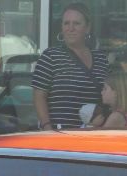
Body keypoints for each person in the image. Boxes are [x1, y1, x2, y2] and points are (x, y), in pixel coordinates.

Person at [32, 3, 103, 131]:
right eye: (66, 23)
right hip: (59, 136)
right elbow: (39, 96)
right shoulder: (50, 56)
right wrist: (47, 128)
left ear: (87, 28)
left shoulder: (101, 58)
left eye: (76, 23)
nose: (70, 28)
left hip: (93, 136)